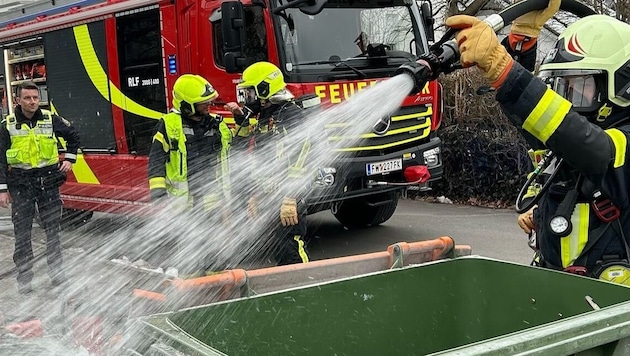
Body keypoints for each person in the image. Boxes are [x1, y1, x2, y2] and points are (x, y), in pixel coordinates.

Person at [442, 7, 630, 282]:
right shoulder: (573, 143)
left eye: (579, 87)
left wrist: (505, 70)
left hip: (614, 312)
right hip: (561, 294)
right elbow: (536, 122)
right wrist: (519, 48)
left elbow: (587, 147)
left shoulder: (612, 143)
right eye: (562, 87)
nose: (567, 99)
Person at [224, 61, 312, 266]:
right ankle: (287, 292)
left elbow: (304, 153)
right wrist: (255, 194)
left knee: (291, 245)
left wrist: (292, 197)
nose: (248, 99)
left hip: (289, 194)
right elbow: (253, 158)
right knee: (279, 247)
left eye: (251, 93)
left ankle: (305, 287)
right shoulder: (265, 116)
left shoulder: (289, 114)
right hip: (270, 194)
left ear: (265, 89)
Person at [0, 81, 81, 294]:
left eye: (36, 97)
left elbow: (73, 135)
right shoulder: (7, 125)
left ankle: (57, 274)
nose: (33, 101)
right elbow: (0, 160)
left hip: (48, 183)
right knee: (23, 234)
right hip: (21, 185)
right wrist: (2, 190)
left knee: (53, 232)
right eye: (27, 98)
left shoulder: (51, 119)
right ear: (18, 100)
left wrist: (70, 158)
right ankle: (25, 280)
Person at [148, 74, 231, 274]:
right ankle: (191, 286)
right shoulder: (169, 124)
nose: (208, 105)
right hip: (183, 203)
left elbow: (231, 150)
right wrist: (158, 194)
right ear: (187, 105)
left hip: (210, 200)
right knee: (188, 250)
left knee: (213, 247)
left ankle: (215, 285)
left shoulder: (216, 124)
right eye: (202, 103)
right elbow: (156, 159)